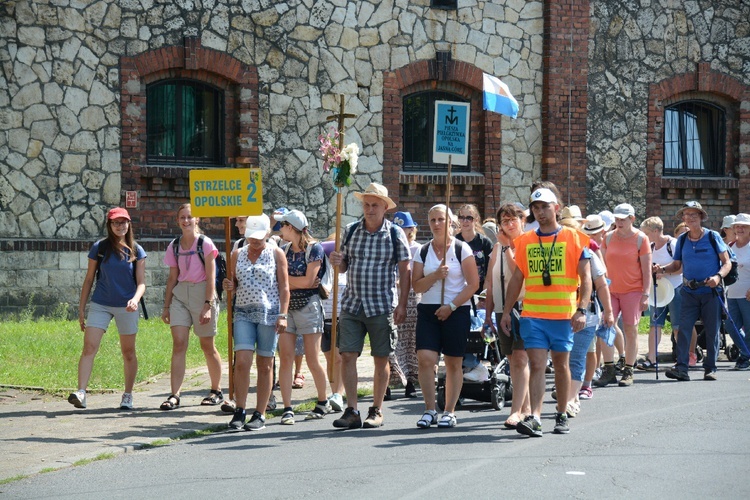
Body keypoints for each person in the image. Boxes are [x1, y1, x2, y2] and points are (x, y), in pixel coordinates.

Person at [500, 187, 592, 437]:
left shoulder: (575, 238)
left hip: (563, 316)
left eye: (545, 206)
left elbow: (586, 277)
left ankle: (561, 413)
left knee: (561, 366)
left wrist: (582, 309)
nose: (540, 211)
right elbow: (517, 279)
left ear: (556, 208)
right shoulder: (525, 241)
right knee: (537, 364)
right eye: (536, 208)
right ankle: (535, 418)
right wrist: (507, 312)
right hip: (533, 315)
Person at [328, 183, 411, 429]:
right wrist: (338, 262)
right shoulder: (351, 230)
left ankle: (376, 409)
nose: (370, 209)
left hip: (381, 305)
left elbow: (405, 270)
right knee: (347, 355)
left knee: (381, 358)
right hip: (352, 304)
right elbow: (344, 266)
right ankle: (352, 410)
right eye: (366, 204)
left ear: (385, 207)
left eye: (375, 205)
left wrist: (403, 304)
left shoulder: (395, 234)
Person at [69, 207, 147, 409]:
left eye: (123, 222)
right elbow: (88, 280)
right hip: (101, 303)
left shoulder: (137, 250)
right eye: (115, 223)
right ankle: (81, 392)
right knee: (89, 347)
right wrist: (81, 309)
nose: (120, 226)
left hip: (127, 306)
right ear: (109, 225)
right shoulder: (100, 247)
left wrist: (135, 299)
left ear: (129, 224)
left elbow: (141, 283)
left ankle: (128, 395)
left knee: (128, 352)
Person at [412, 204, 479, 428]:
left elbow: (473, 285)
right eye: (433, 220)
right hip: (429, 310)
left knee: (453, 361)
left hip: (456, 309)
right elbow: (417, 285)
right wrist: (435, 275)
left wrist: (451, 306)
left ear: (450, 222)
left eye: (441, 219)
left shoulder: (462, 249)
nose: (437, 224)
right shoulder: (422, 251)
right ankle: (429, 409)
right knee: (426, 359)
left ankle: (449, 411)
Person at [223, 214, 289, 430]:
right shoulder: (237, 253)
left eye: (259, 238)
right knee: (242, 361)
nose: (255, 242)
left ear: (268, 234)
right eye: (252, 238)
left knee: (265, 363)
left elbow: (284, 287)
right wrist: (229, 284)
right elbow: (233, 281)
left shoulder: (276, 253)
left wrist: (283, 315)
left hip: (268, 315)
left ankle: (260, 413)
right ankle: (240, 409)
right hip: (242, 312)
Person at [160, 203, 223, 410]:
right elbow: (172, 278)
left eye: (190, 217)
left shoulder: (205, 243)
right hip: (180, 295)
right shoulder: (174, 245)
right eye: (182, 217)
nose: (186, 221)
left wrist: (208, 304)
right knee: (178, 343)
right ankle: (174, 395)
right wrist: (167, 306)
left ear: (197, 220)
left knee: (207, 345)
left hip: (202, 293)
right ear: (177, 221)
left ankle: (216, 390)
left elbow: (211, 276)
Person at [662, 201, 732, 381]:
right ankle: (682, 368)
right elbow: (677, 265)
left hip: (710, 292)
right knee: (684, 330)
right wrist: (661, 269)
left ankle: (710, 368)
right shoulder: (683, 239)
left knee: (712, 330)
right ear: (683, 218)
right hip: (689, 292)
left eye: (694, 214)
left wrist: (717, 277)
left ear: (701, 217)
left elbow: (727, 262)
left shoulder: (712, 236)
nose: (690, 218)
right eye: (687, 214)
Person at [275, 209, 332, 424]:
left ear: (291, 228)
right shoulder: (283, 249)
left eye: (283, 225)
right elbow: (298, 280)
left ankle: (323, 400)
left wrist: (285, 279)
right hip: (287, 307)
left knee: (312, 358)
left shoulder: (314, 249)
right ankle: (287, 407)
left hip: (309, 306)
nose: (280, 229)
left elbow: (309, 282)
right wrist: (293, 281)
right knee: (286, 358)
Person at [483, 203, 531, 428]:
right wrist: (487, 315)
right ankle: (527, 407)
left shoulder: (527, 242)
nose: (510, 224)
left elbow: (521, 272)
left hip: (524, 307)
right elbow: (492, 284)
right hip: (503, 309)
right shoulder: (496, 248)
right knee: (512, 360)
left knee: (521, 359)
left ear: (522, 220)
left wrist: (508, 247)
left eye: (514, 219)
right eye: (505, 221)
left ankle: (517, 411)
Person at [598, 203, 651, 387]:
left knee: (631, 329)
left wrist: (646, 294)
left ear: (632, 219)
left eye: (623, 219)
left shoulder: (641, 239)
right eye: (617, 219)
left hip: (633, 290)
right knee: (606, 327)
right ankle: (609, 369)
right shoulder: (608, 237)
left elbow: (646, 270)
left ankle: (629, 369)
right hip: (610, 290)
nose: (619, 222)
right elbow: (601, 265)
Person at [637, 217, 683, 371]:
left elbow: (682, 267)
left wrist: (664, 271)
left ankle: (682, 359)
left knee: (677, 326)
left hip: (676, 289)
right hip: (658, 291)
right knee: (654, 325)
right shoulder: (649, 246)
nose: (644, 236)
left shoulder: (673, 244)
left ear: (656, 231)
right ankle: (652, 358)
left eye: (646, 233)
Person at [456, 204, 494, 382]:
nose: (464, 221)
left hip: (480, 296)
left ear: (475, 220)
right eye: (461, 217)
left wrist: (484, 296)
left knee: (480, 328)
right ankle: (472, 364)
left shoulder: (484, 243)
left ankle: (478, 364)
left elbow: (490, 271)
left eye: (468, 218)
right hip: (461, 294)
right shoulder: (455, 242)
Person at [391, 211, 421, 398]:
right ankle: (389, 380)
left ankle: (410, 380)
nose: (403, 231)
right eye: (399, 228)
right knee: (392, 339)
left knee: (412, 340)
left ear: (412, 229)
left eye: (406, 227)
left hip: (412, 297)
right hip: (392, 295)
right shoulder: (388, 246)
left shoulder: (418, 249)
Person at [725, 214, 750, 370]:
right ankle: (746, 352)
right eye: (737, 226)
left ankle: (745, 357)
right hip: (731, 294)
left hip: (747, 294)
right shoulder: (730, 246)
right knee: (730, 326)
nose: (740, 229)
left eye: (744, 226)